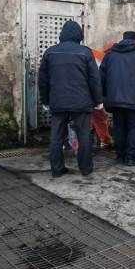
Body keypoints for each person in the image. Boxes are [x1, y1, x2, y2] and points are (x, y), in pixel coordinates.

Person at [38, 20, 103, 177]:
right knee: (84, 136)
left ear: (62, 35)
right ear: (79, 35)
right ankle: (85, 169)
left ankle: (57, 169)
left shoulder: (50, 52)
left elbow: (43, 80)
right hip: (82, 102)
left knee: (56, 137)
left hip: (58, 102)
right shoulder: (85, 52)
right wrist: (98, 100)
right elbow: (94, 79)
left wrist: (45, 100)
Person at [100, 31, 135, 166]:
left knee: (119, 127)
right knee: (133, 128)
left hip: (115, 99)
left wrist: (105, 95)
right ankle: (130, 158)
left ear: (123, 39)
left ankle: (120, 155)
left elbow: (101, 77)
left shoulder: (110, 55)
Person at [90, 41, 115, 148]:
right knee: (98, 118)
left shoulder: (94, 54)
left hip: (79, 92)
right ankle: (105, 140)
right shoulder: (106, 59)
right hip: (92, 94)